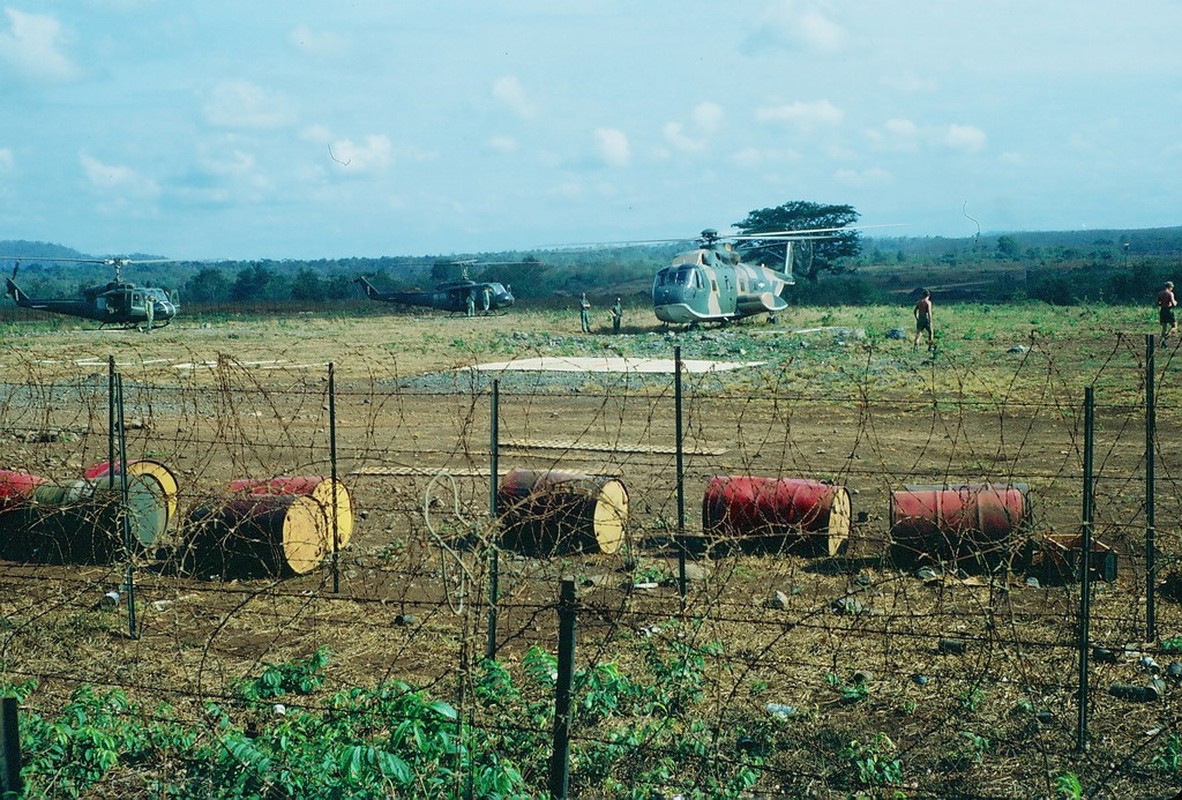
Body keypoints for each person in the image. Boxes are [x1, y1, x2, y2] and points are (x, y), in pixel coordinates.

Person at [1158, 281, 1177, 346]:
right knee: (1174, 326)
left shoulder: (1160, 293)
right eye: (1172, 287)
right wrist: (1175, 302)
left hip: (1162, 310)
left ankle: (1163, 342)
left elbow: (1158, 303)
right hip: (1169, 310)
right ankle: (1167, 336)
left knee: (1164, 327)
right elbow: (1173, 304)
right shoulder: (1170, 293)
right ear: (1170, 287)